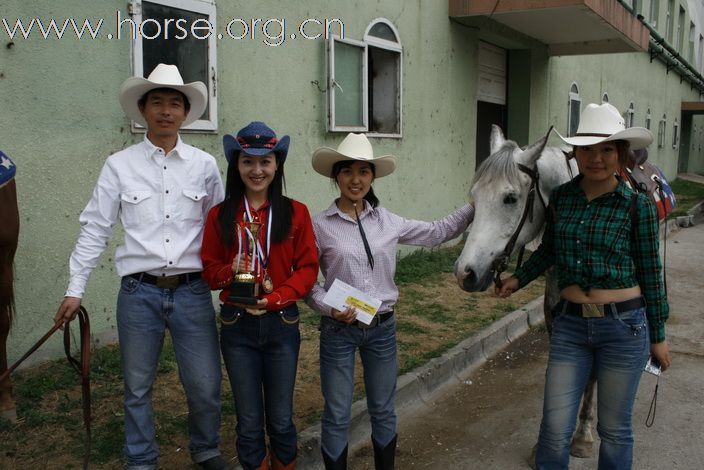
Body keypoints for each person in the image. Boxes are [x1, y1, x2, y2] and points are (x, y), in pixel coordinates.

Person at [54, 64, 227, 470]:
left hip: (192, 290)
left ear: (185, 113)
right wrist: (74, 288)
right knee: (136, 387)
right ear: (143, 110)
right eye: (157, 103)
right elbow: (95, 228)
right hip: (138, 293)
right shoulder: (119, 165)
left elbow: (220, 228)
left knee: (204, 385)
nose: (165, 111)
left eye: (174, 103)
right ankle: (141, 458)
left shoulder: (204, 165)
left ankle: (206, 449)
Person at [496, 102, 671, 470]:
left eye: (606, 149)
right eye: (588, 149)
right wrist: (517, 278)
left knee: (615, 429)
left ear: (620, 154)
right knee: (554, 429)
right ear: (576, 153)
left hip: (623, 327)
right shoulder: (563, 199)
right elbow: (550, 251)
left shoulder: (635, 207)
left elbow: (651, 274)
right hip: (571, 326)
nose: (596, 158)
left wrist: (658, 334)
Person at [305, 133, 475, 470]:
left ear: (373, 176)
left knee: (382, 407)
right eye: (348, 171)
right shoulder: (319, 226)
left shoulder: (388, 221)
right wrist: (330, 307)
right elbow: (308, 284)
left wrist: (476, 204)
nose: (356, 179)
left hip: (382, 328)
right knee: (337, 412)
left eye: (364, 172)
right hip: (339, 331)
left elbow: (437, 231)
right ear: (335, 176)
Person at [201, 121, 319, 470]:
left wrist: (279, 297)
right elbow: (208, 272)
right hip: (236, 326)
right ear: (236, 166)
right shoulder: (219, 216)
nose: (257, 170)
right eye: (247, 162)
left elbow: (308, 268)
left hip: (282, 323)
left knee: (281, 419)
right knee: (249, 421)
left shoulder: (296, 212)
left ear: (277, 165)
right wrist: (229, 269)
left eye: (265, 161)